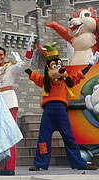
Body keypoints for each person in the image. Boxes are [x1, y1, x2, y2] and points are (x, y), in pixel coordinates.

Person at [25, 42, 99, 171]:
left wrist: (90, 65)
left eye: (59, 66)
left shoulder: (65, 82)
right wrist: (24, 60)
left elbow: (79, 76)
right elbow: (31, 74)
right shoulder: (44, 81)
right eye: (54, 66)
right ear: (48, 68)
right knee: (44, 138)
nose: (59, 69)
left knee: (69, 138)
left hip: (61, 112)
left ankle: (79, 163)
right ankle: (39, 163)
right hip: (48, 112)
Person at [0, 33, 34, 176]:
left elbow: (26, 65)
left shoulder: (10, 67)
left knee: (9, 135)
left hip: (9, 102)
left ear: (4, 56)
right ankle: (2, 167)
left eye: (1, 55)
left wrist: (28, 49)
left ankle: (10, 167)